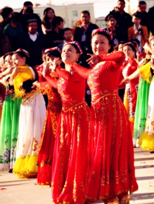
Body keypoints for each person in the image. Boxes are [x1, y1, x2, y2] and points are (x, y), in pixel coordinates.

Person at [73, 28, 138, 203]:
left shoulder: (112, 61)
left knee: (113, 150)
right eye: (95, 43)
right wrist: (70, 64)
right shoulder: (95, 66)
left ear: (109, 45)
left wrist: (101, 57)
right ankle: (109, 192)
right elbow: (85, 74)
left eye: (102, 42)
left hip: (112, 111)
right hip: (97, 113)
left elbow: (120, 56)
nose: (98, 46)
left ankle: (120, 193)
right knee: (100, 152)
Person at [41, 42, 91, 204]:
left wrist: (55, 69)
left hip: (79, 115)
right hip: (65, 117)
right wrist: (47, 75)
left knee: (78, 152)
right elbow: (58, 86)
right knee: (66, 152)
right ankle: (65, 187)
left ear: (78, 55)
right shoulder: (62, 72)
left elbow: (69, 78)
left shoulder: (76, 70)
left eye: (70, 50)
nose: (66, 53)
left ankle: (80, 190)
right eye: (64, 50)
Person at [12, 49, 46, 179]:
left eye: (16, 59)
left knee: (34, 128)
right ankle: (26, 160)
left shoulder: (28, 70)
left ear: (24, 58)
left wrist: (13, 75)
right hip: (26, 102)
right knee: (26, 129)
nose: (15, 62)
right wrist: (13, 75)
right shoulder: (19, 69)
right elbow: (12, 86)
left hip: (34, 102)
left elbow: (25, 86)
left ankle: (36, 162)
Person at [36, 48, 62, 186]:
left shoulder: (62, 71)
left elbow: (59, 88)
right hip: (51, 109)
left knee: (60, 139)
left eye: (52, 59)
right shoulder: (45, 71)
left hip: (62, 110)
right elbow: (45, 89)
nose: (48, 62)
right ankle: (51, 172)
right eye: (46, 59)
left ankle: (60, 172)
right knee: (50, 139)